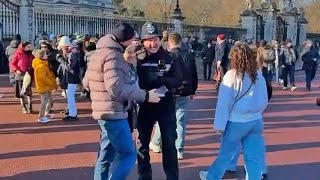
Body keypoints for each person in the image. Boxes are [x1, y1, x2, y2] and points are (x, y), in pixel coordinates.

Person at [82, 22, 162, 180]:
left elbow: (86, 82)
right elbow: (116, 88)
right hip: (113, 112)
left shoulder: (100, 52)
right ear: (126, 40)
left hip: (103, 110)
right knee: (127, 154)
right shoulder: (114, 56)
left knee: (105, 156)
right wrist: (145, 95)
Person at [199, 44, 268, 180]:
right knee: (252, 158)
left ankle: (211, 177)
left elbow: (224, 103)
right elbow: (264, 99)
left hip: (237, 121)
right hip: (255, 120)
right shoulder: (258, 74)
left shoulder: (232, 75)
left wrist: (220, 125)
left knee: (225, 155)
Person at [136, 22, 182, 180]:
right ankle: (144, 176)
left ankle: (172, 177)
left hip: (165, 106)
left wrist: (161, 80)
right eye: (148, 39)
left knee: (169, 143)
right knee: (142, 144)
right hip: (145, 106)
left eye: (155, 39)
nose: (153, 43)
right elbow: (132, 82)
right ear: (142, 41)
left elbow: (178, 80)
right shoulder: (137, 59)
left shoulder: (170, 57)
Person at [149, 32, 198, 160]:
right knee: (180, 121)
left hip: (168, 92)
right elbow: (194, 75)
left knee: (163, 118)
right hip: (183, 91)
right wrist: (193, 91)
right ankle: (179, 149)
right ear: (180, 42)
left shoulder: (164, 56)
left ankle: (156, 143)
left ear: (169, 43)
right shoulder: (189, 55)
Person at [56, 36, 80, 121]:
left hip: (72, 77)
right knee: (68, 95)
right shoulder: (71, 53)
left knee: (70, 96)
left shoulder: (72, 54)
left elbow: (70, 67)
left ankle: (72, 113)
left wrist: (61, 60)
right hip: (70, 77)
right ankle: (70, 111)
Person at [32, 49, 57, 123]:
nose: (47, 55)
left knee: (49, 100)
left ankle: (46, 114)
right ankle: (41, 117)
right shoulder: (40, 66)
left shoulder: (44, 64)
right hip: (43, 86)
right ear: (41, 56)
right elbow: (42, 78)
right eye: (45, 54)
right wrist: (50, 82)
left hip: (46, 86)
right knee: (44, 101)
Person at [9, 42, 34, 114]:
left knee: (28, 92)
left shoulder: (31, 54)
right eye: (28, 47)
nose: (29, 48)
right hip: (20, 75)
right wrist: (16, 70)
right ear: (23, 47)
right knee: (21, 92)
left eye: (30, 46)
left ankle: (30, 107)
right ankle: (23, 107)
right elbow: (12, 63)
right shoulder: (18, 53)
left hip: (28, 74)